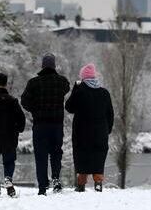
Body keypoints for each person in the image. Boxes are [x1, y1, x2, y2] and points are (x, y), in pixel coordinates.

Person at [20, 53, 70, 195]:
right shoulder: (61, 82)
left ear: (42, 66)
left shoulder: (33, 82)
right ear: (54, 66)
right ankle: (55, 179)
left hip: (40, 124)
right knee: (56, 153)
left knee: (40, 155)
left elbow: (24, 101)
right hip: (56, 125)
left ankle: (42, 186)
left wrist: (34, 109)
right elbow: (67, 88)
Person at [65, 64, 114, 192]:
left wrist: (76, 88)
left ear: (83, 78)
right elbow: (110, 113)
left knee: (82, 156)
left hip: (82, 132)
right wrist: (107, 130)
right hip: (100, 132)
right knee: (98, 156)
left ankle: (81, 184)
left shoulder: (80, 92)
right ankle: (98, 183)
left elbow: (69, 107)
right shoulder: (104, 93)